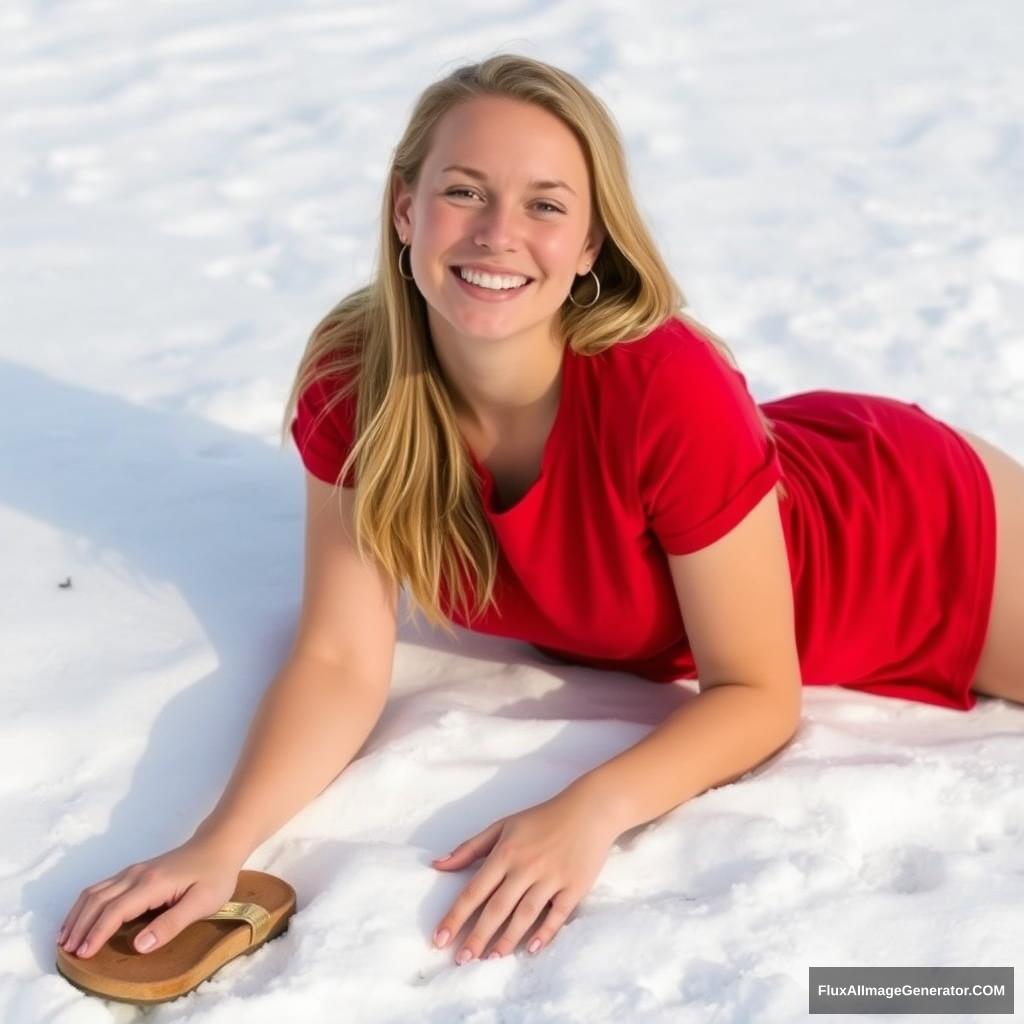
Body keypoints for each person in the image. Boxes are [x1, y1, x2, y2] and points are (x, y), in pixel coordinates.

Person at [60, 54, 1024, 971]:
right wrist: (219, 841)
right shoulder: (358, 379)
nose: (496, 233)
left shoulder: (664, 382)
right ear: (406, 208)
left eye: (545, 205)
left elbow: (757, 693)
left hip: (924, 541)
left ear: (590, 243)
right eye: (464, 190)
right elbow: (339, 658)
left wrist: (588, 811)